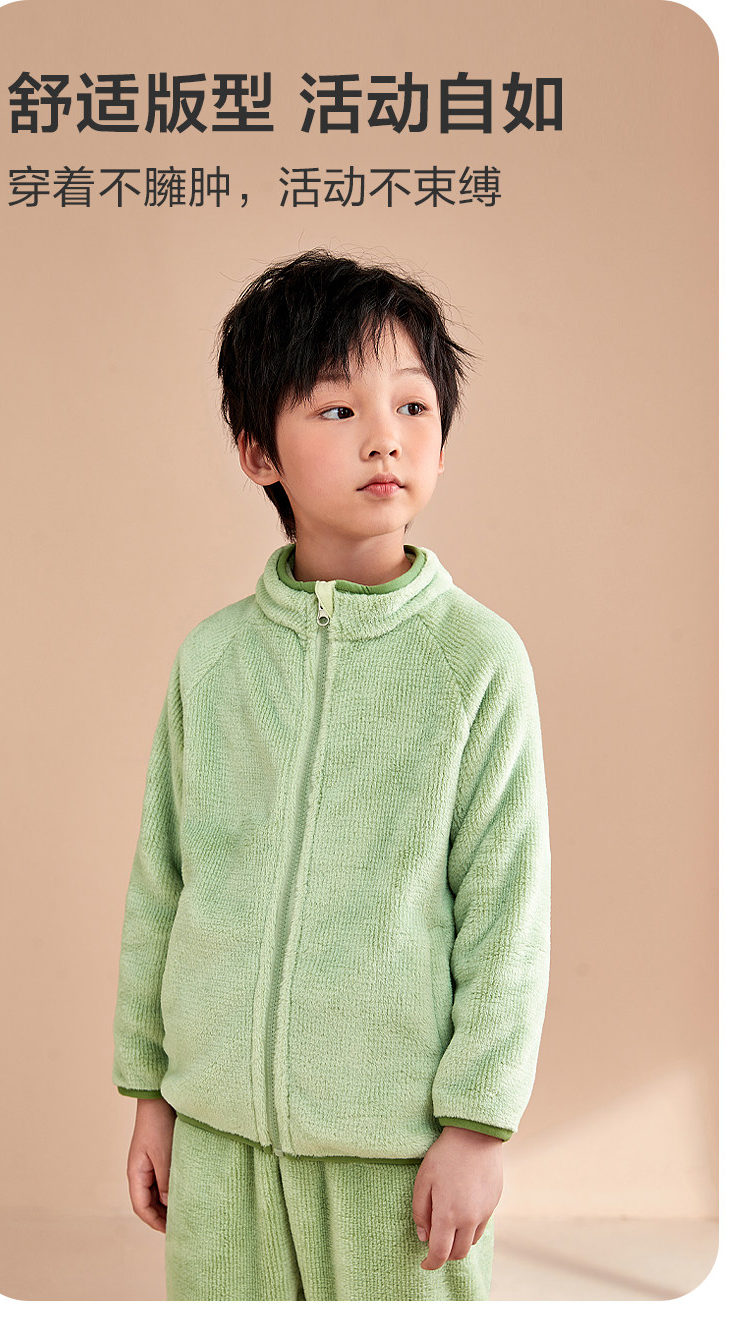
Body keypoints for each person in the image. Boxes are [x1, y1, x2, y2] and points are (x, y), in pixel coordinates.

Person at [112, 249, 551, 1302]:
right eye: (338, 408)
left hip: (394, 1153)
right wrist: (152, 1092)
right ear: (258, 450)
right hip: (219, 1136)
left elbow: (507, 910)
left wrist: (478, 1123)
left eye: (412, 405)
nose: (384, 436)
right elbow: (162, 886)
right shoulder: (213, 661)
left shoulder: (475, 661)